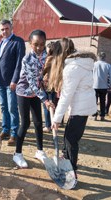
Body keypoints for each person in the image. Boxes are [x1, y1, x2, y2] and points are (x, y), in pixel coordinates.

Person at [50, 38, 97, 184]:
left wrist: (57, 119)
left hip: (80, 107)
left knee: (71, 140)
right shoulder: (79, 62)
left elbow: (66, 96)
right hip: (83, 106)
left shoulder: (72, 68)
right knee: (69, 137)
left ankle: (72, 171)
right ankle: (66, 159)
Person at [13, 30, 53, 168]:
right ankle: (17, 154)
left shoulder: (46, 56)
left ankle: (40, 151)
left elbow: (41, 77)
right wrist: (46, 100)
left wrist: (45, 82)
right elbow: (31, 82)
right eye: (36, 44)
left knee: (38, 122)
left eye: (42, 44)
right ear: (30, 44)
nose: (39, 47)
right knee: (25, 123)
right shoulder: (27, 59)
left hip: (36, 93)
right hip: (24, 92)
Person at [0, 19, 25, 146]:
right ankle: (5, 130)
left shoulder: (18, 42)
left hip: (11, 82)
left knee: (12, 108)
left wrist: (15, 80)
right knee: (3, 107)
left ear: (11, 28)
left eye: (6, 28)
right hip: (0, 81)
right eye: (2, 29)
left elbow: (19, 63)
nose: (4, 31)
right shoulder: (0, 43)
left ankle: (14, 134)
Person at [92, 52, 111, 121]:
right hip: (104, 86)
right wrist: (110, 85)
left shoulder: (94, 64)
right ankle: (102, 116)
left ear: (98, 57)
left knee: (94, 101)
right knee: (103, 101)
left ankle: (94, 115)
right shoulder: (108, 65)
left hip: (94, 85)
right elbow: (110, 77)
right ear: (105, 57)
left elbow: (90, 74)